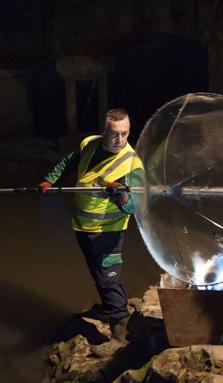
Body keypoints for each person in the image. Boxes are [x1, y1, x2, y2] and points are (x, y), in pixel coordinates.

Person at [38, 108, 144, 356]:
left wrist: (122, 194)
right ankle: (107, 310)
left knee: (109, 277)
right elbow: (69, 161)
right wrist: (50, 180)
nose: (119, 140)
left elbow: (135, 206)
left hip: (107, 232)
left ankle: (120, 337)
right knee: (97, 272)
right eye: (114, 134)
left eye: (125, 134)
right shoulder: (89, 143)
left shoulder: (132, 164)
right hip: (83, 227)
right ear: (104, 130)